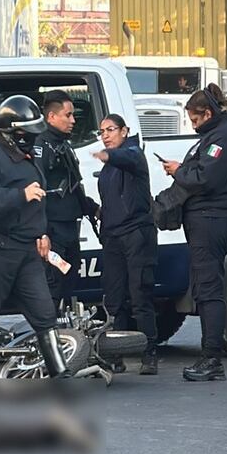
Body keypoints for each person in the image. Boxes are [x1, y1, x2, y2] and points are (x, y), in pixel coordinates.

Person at [0, 95, 70, 379]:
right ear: (12, 133)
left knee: (45, 314)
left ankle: (61, 374)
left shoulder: (28, 157)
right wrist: (19, 195)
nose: (32, 140)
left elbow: (38, 201)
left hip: (27, 249)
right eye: (26, 135)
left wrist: (42, 233)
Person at [158, 83, 227, 382]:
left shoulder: (224, 137)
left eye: (194, 120)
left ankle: (212, 358)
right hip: (202, 220)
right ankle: (210, 356)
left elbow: (204, 176)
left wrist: (178, 171)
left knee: (209, 290)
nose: (193, 126)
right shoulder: (212, 135)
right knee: (204, 288)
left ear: (207, 113)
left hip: (211, 219)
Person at [91, 114, 159, 375]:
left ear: (124, 131)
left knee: (140, 294)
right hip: (113, 237)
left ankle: (149, 352)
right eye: (102, 131)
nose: (106, 135)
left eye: (110, 130)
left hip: (136, 235)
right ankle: (116, 355)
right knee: (114, 297)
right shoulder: (108, 168)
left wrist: (108, 156)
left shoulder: (132, 154)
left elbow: (127, 158)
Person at [36, 90, 100, 313]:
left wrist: (93, 209)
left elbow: (73, 186)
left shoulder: (64, 145)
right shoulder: (41, 146)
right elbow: (36, 195)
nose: (73, 120)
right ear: (51, 117)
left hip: (70, 228)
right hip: (53, 230)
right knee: (52, 288)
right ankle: (49, 341)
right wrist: (41, 233)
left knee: (69, 286)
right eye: (68, 115)